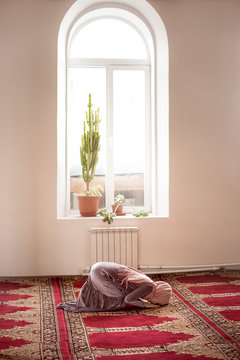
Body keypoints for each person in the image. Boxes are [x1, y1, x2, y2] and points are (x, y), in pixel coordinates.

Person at [57, 262, 172, 312]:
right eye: (157, 303)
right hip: (100, 273)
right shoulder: (149, 288)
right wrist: (146, 305)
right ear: (158, 296)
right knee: (122, 300)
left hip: (98, 267)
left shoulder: (149, 283)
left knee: (122, 294)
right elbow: (129, 299)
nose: (154, 303)